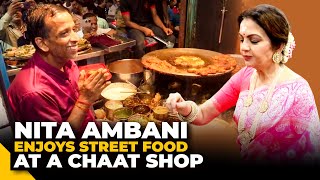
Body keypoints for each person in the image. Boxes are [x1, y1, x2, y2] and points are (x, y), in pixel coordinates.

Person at [165, 4, 320, 165]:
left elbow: (308, 150)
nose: (244, 47)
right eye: (241, 39)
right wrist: (185, 107)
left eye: (253, 40)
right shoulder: (246, 75)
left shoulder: (298, 91)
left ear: (279, 45)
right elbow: (204, 113)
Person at [7, 4, 110, 134]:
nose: (76, 38)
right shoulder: (34, 92)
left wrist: (82, 91)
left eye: (73, 29)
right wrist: (85, 100)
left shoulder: (64, 60)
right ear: (43, 43)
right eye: (64, 33)